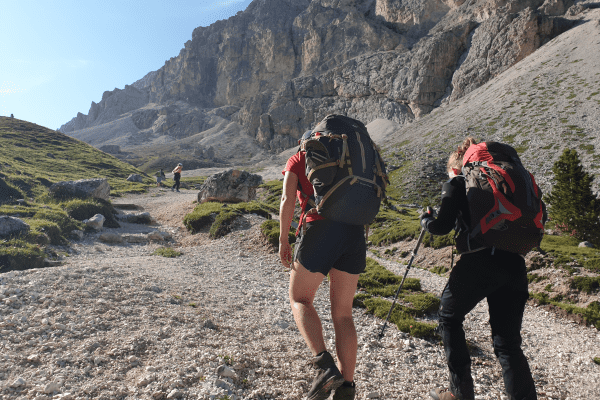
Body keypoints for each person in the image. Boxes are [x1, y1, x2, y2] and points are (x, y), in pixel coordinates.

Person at [420, 137, 538, 400]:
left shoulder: (458, 181)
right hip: (515, 263)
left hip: (479, 261)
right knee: (508, 344)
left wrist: (426, 220)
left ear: (457, 166)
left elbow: (441, 227)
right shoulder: (503, 177)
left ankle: (459, 394)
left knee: (449, 318)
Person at [279, 131, 364, 400]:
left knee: (300, 297)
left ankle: (324, 366)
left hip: (319, 231)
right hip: (353, 234)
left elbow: (287, 200)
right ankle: (347, 387)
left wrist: (283, 239)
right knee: (343, 314)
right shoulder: (348, 163)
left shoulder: (298, 159)